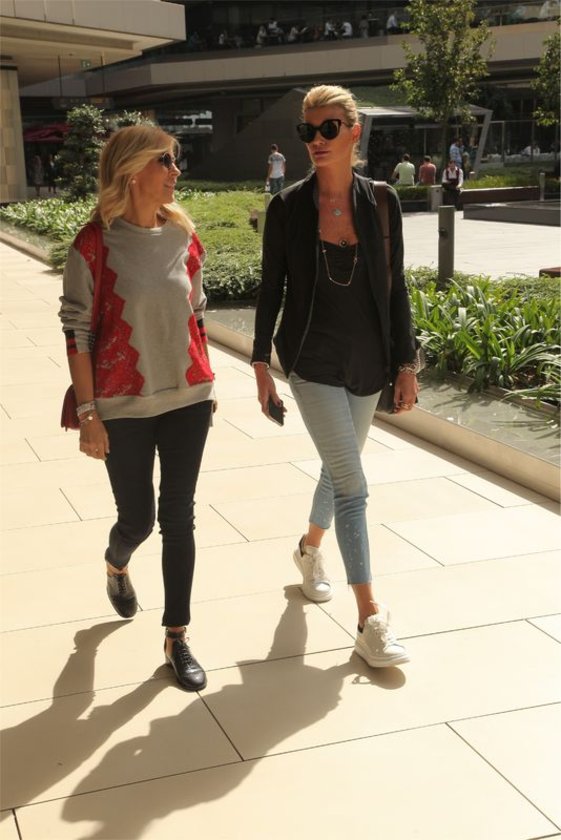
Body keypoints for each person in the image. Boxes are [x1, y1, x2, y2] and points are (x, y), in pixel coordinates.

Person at [251, 84, 419, 669]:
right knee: (352, 485)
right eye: (308, 131)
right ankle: (370, 620)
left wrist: (405, 363)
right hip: (311, 359)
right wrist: (260, 365)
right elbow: (271, 288)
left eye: (329, 129)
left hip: (368, 362)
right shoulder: (288, 207)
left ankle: (308, 549)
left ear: (354, 131)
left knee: (336, 466)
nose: (317, 140)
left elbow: (396, 287)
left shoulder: (383, 202)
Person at [58, 125, 215, 691]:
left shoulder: (184, 236)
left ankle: (177, 635)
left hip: (188, 399)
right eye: (165, 161)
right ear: (132, 171)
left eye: (175, 160)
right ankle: (117, 562)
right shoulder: (94, 245)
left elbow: (198, 314)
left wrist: (204, 378)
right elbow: (77, 332)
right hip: (121, 405)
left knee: (179, 517)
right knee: (138, 520)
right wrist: (89, 414)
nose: (176, 171)